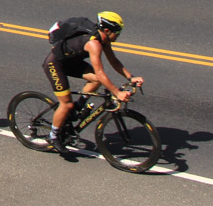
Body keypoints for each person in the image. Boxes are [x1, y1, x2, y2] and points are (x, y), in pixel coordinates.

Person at [44, 11, 144, 153]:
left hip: (72, 62)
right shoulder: (94, 44)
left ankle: (77, 108)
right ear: (107, 30)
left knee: (96, 81)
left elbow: (114, 61)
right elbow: (100, 72)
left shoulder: (104, 40)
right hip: (55, 64)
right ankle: (53, 137)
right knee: (66, 103)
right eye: (117, 33)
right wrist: (117, 92)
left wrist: (130, 77)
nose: (118, 36)